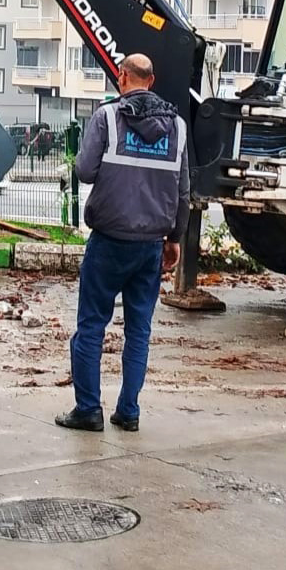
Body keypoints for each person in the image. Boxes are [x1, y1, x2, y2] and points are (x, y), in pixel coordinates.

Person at [57, 53, 188, 433]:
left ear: (122, 76)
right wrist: (174, 239)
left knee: (92, 326)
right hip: (151, 245)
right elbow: (183, 192)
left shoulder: (108, 117)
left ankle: (88, 410)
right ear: (152, 79)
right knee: (139, 330)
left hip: (109, 241)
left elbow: (84, 171)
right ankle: (128, 411)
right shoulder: (177, 127)